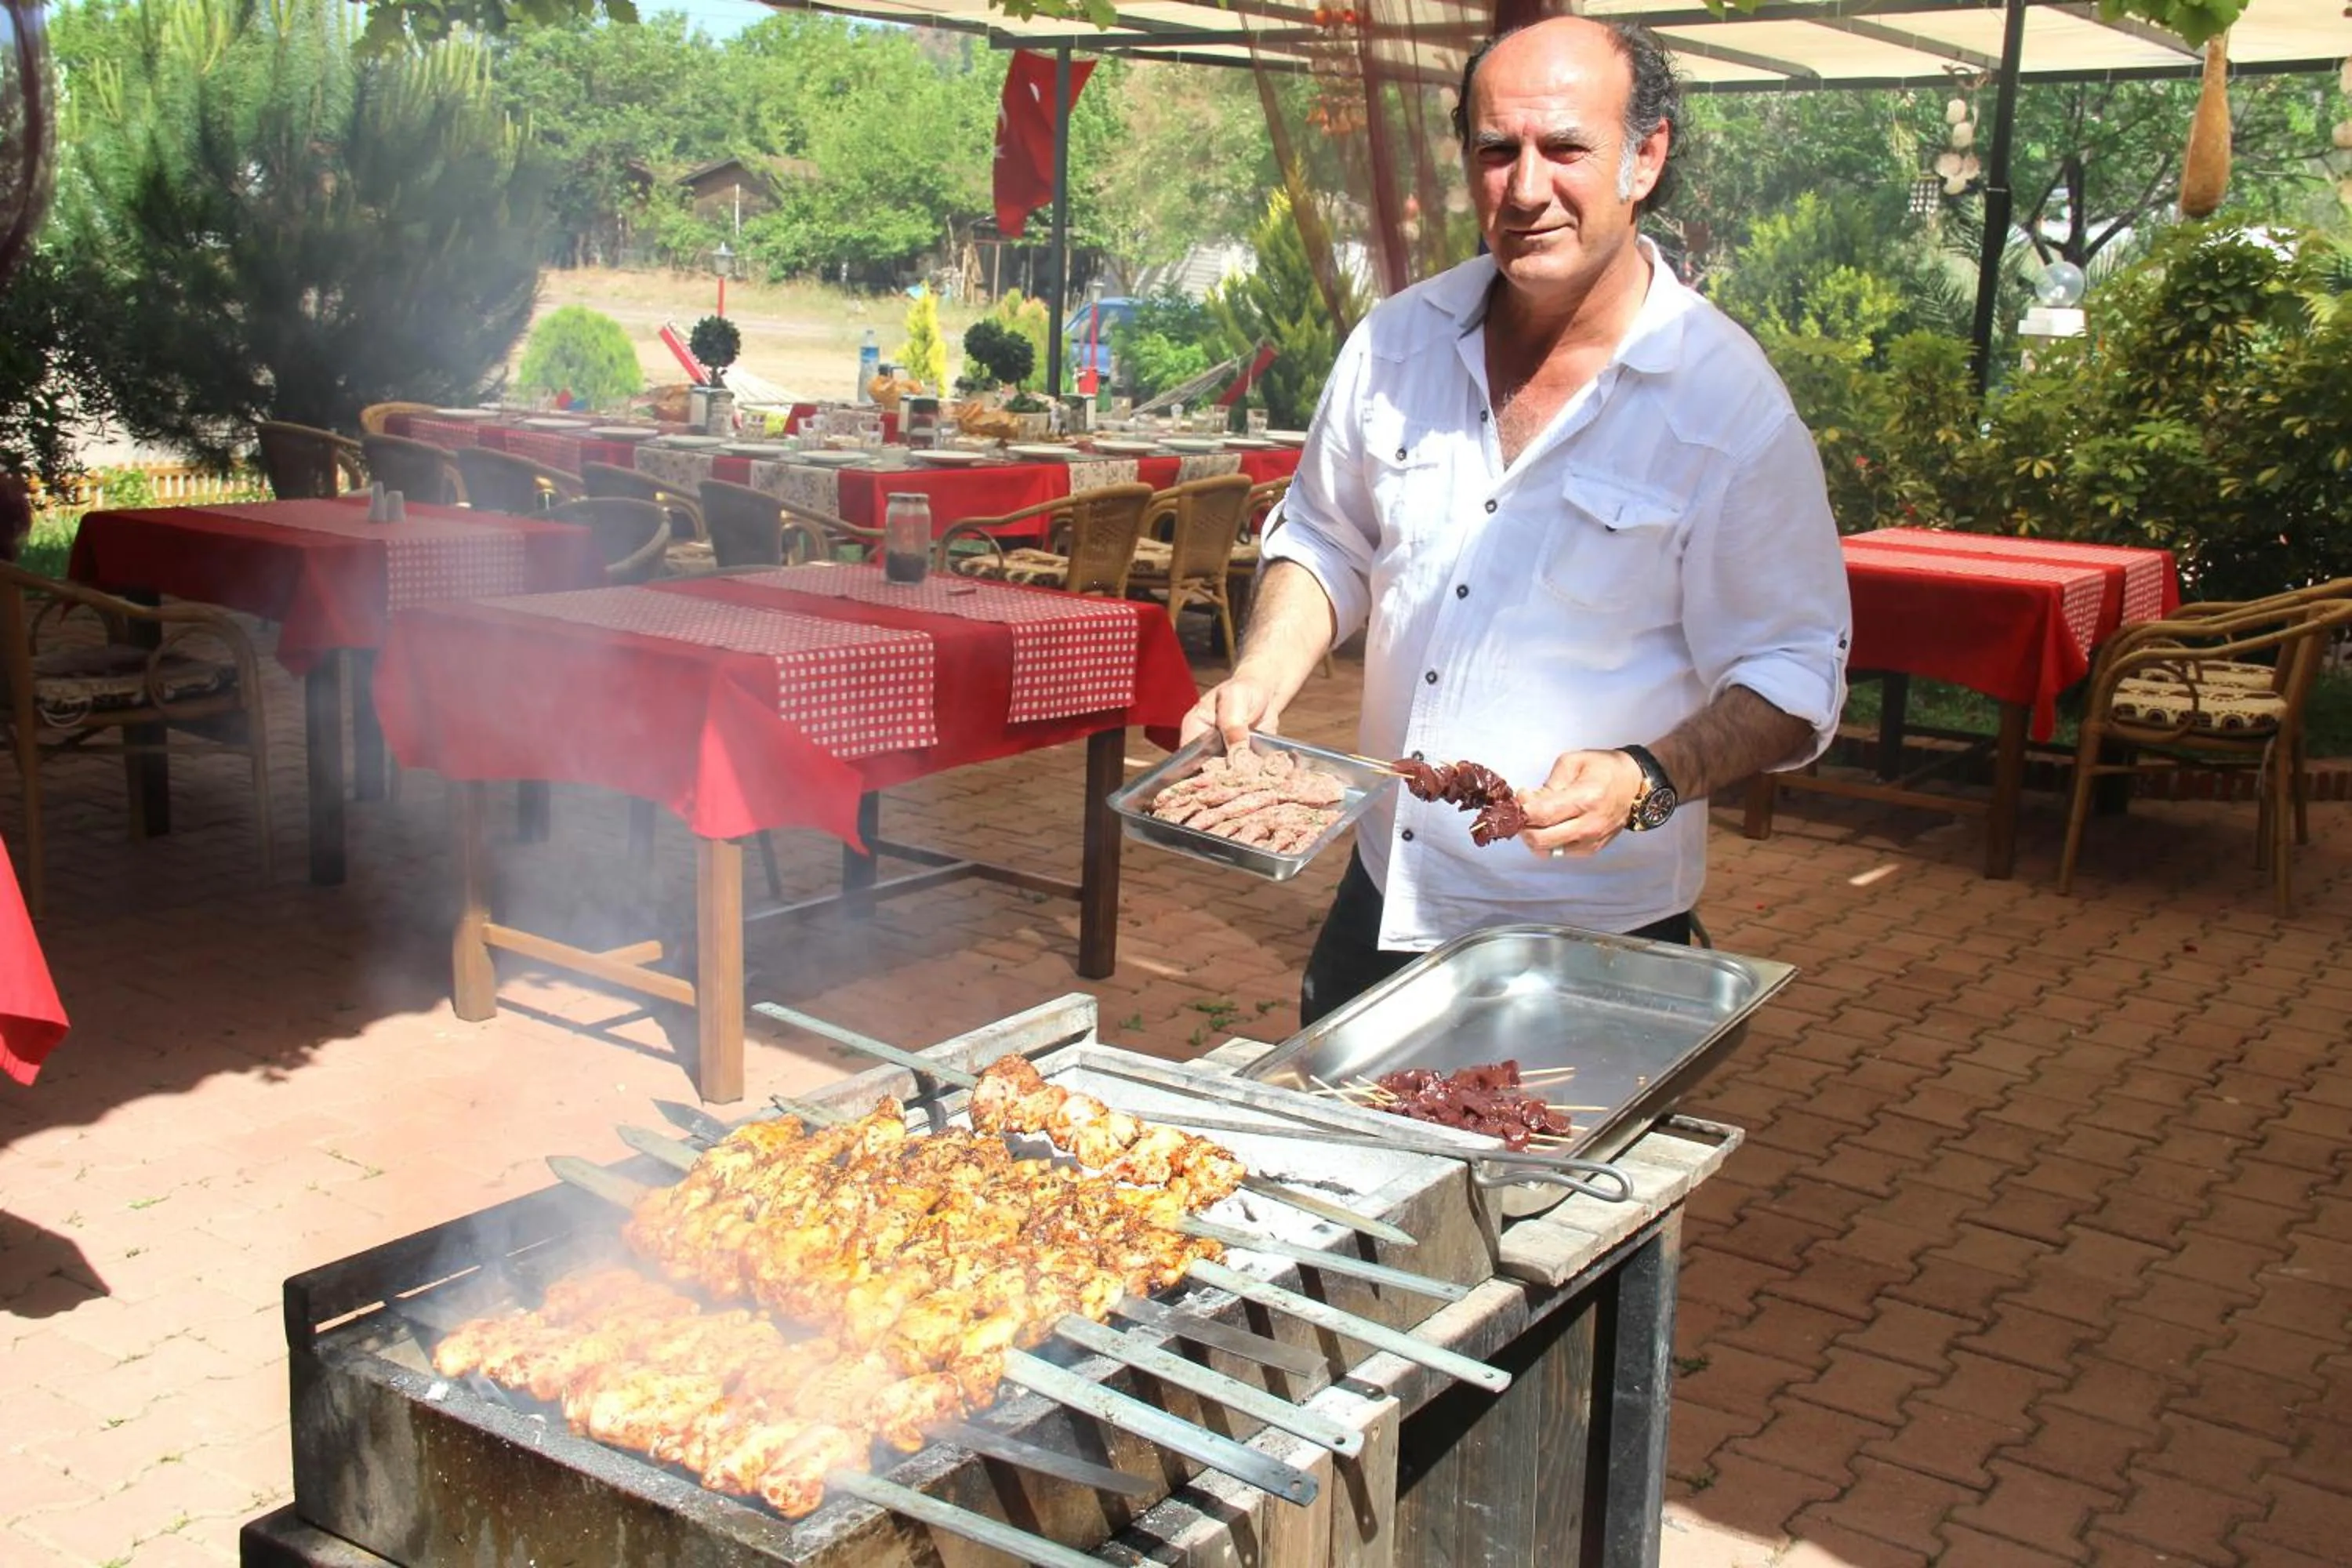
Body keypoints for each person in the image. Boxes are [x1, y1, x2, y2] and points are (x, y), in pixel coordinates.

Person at [1184, 16, 1852, 1024]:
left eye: (1565, 149)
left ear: (1646, 157)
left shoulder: (1726, 408)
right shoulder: (1396, 345)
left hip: (1594, 934)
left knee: (1549, 1185)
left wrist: (1651, 775)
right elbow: (1328, 537)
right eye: (1497, 150)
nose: (1526, 187)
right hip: (1386, 895)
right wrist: (1262, 675)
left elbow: (1796, 674)